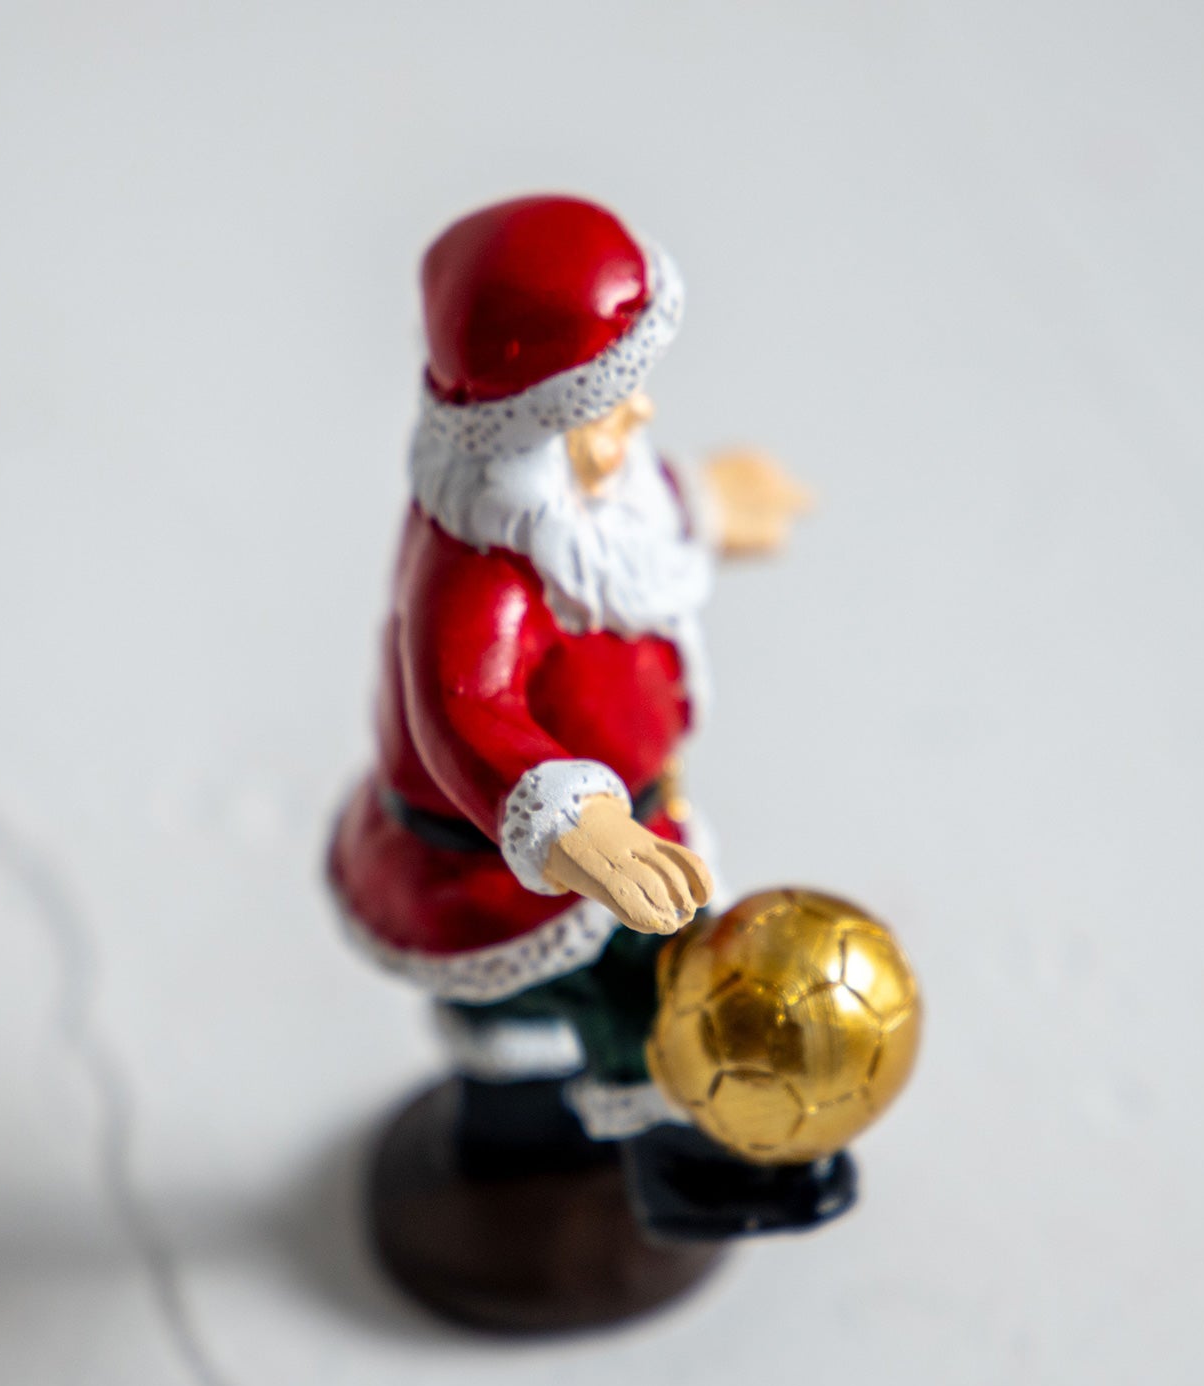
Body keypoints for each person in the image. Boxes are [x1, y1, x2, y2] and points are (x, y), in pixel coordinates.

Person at [329, 194, 852, 1237]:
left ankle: (534, 1120)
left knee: (646, 979)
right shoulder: (482, 567)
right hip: (516, 878)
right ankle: (691, 1176)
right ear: (523, 443)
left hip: (635, 827)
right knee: (655, 1006)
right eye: (605, 412)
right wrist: (572, 824)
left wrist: (703, 505)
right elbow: (465, 710)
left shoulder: (574, 509)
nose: (639, 418)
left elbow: (626, 538)